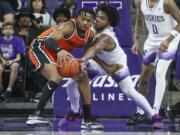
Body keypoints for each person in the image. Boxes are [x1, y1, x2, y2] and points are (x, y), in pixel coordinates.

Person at [58, 3, 163, 129]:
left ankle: (155, 117)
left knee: (129, 92)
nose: (97, 20)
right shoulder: (91, 29)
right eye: (97, 17)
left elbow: (94, 49)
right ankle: (74, 112)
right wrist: (105, 67)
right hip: (101, 64)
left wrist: (83, 60)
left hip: (117, 65)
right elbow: (90, 51)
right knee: (71, 82)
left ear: (109, 23)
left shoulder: (106, 37)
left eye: (102, 18)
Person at [26, 7, 103, 130]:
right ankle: (35, 115)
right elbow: (48, 40)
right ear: (77, 18)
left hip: (58, 52)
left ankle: (87, 118)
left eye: (88, 21)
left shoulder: (89, 34)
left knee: (83, 77)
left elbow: (88, 50)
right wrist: (60, 50)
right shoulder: (68, 26)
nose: (85, 23)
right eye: (83, 19)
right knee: (56, 77)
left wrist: (85, 61)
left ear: (92, 22)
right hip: (41, 47)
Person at [129, 0, 180, 124]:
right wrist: (136, 41)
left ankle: (155, 113)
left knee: (160, 74)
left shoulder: (167, 3)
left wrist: (168, 40)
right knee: (144, 77)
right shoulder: (140, 2)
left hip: (170, 39)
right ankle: (140, 113)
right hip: (152, 40)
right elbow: (139, 20)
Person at [0, 22, 25, 102]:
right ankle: (0, 89)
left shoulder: (18, 40)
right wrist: (3, 60)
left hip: (13, 60)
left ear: (13, 31)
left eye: (10, 28)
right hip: (2, 61)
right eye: (6, 28)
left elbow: (19, 57)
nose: (8, 30)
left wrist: (11, 61)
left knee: (15, 66)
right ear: (3, 31)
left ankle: (9, 89)